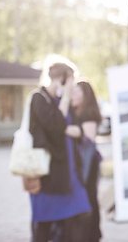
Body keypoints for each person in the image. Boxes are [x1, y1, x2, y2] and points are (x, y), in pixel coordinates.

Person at [25, 61, 92, 242]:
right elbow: (55, 126)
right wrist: (65, 103)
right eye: (71, 80)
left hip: (69, 171)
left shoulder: (64, 103)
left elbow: (78, 130)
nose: (73, 85)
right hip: (48, 172)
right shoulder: (39, 98)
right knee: (44, 224)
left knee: (75, 219)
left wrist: (67, 128)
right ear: (61, 79)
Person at [66, 81, 103, 242]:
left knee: (89, 196)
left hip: (88, 163)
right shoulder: (74, 112)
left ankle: (92, 235)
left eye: (76, 92)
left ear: (85, 95)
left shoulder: (89, 113)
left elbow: (89, 137)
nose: (72, 95)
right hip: (80, 162)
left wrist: (63, 128)